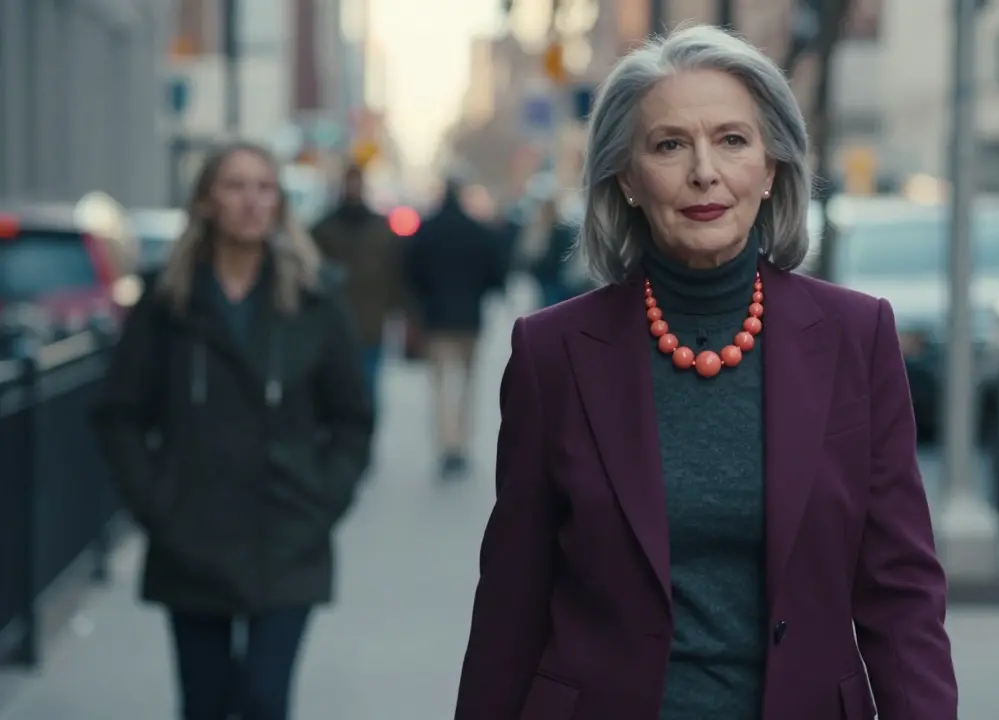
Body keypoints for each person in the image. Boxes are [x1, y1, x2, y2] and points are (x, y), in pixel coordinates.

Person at [454, 25, 956, 720]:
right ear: (626, 177)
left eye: (732, 140)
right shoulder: (553, 352)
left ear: (772, 166)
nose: (703, 172)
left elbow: (900, 589)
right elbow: (513, 598)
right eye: (668, 145)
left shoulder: (854, 336)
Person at [92, 142, 374, 720]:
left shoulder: (314, 299)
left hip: (288, 534)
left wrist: (325, 497)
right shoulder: (169, 302)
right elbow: (118, 412)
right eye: (234, 186)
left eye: (264, 187)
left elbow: (351, 417)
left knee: (266, 700)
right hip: (191, 536)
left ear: (279, 203)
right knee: (205, 704)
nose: (251, 201)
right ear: (205, 202)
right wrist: (156, 504)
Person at [404, 177, 507, 479]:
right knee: (466, 383)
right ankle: (461, 443)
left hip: (435, 318)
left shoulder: (427, 230)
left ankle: (445, 445)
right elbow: (496, 272)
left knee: (440, 385)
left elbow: (411, 271)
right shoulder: (477, 231)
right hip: (469, 318)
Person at [311, 163, 402, 409]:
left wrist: (398, 310)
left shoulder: (380, 228)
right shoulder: (324, 229)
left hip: (371, 321)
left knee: (368, 384)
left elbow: (395, 273)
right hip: (333, 320)